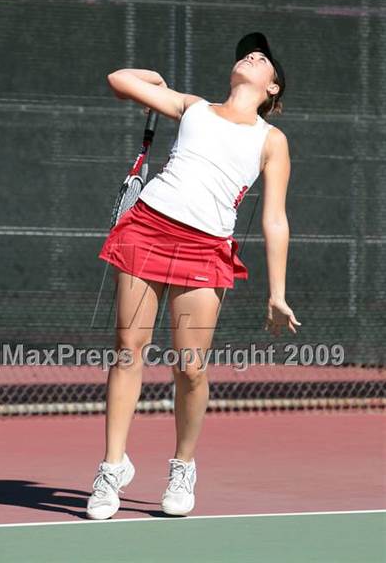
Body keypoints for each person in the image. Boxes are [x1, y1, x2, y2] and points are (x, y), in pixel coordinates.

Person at [86, 32, 301, 520]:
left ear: (272, 89)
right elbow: (118, 80)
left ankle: (183, 466)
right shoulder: (193, 107)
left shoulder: (271, 140)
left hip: (206, 249)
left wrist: (278, 292)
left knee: (190, 367)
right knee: (127, 350)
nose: (251, 56)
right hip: (147, 228)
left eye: (263, 58)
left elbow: (275, 219)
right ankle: (110, 468)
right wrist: (154, 79)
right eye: (246, 52)